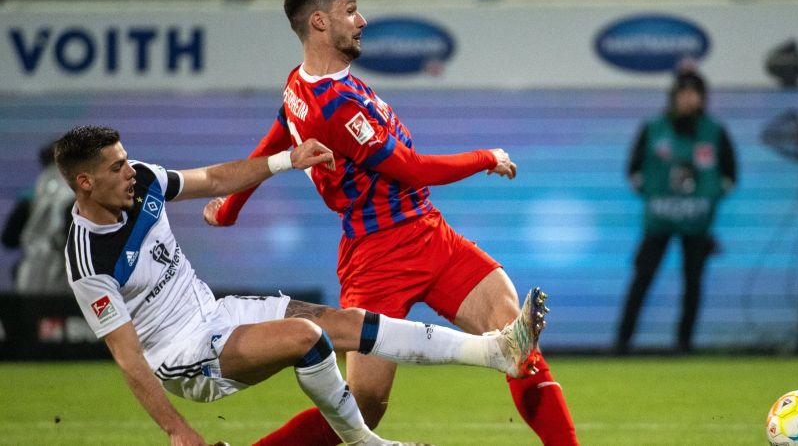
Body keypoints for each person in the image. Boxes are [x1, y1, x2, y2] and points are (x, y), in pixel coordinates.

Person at [204, 0, 578, 444]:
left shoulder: (300, 85)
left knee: (516, 336)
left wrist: (230, 208)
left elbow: (275, 137)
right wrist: (486, 157)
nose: (361, 20)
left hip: (429, 233)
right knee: (362, 409)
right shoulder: (334, 105)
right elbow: (413, 169)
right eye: (350, 10)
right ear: (320, 22)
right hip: (377, 257)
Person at [56, 125, 547, 446]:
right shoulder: (87, 260)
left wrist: (286, 159)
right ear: (84, 182)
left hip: (217, 313)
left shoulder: (143, 181)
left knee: (348, 324)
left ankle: (497, 352)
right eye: (115, 166)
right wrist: (178, 430)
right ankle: (363, 443)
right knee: (309, 338)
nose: (129, 171)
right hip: (182, 355)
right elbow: (128, 357)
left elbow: (211, 178)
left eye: (125, 160)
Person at [614, 67, 738, 355]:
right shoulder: (654, 128)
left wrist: (708, 198)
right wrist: (653, 193)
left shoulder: (714, 132)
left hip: (696, 225)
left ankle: (684, 344)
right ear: (674, 97)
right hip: (658, 221)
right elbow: (634, 170)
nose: (688, 100)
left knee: (692, 283)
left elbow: (730, 175)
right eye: (683, 93)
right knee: (642, 277)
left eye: (694, 94)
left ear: (703, 98)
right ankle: (621, 344)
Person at [2, 143, 73, 293]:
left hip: (30, 278)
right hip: (66, 281)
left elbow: (9, 239)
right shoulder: (79, 195)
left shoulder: (31, 196)